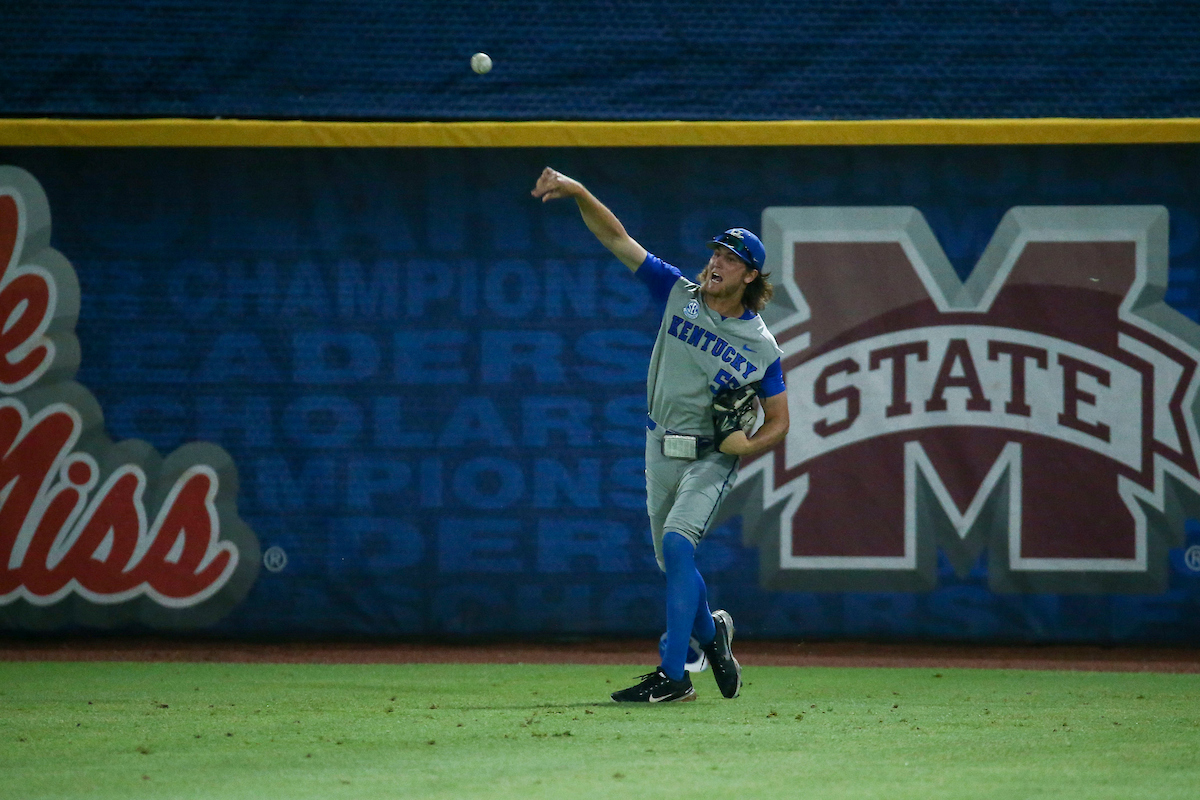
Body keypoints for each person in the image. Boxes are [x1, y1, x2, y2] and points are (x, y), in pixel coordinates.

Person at [531, 167, 790, 702]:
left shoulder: (762, 347)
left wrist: (748, 446)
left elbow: (781, 419)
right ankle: (712, 634)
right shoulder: (679, 294)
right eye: (717, 251)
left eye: (731, 259)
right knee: (672, 563)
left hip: (711, 459)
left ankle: (675, 676)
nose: (717, 261)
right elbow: (616, 237)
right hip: (660, 445)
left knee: (677, 545)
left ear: (750, 277)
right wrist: (580, 190)